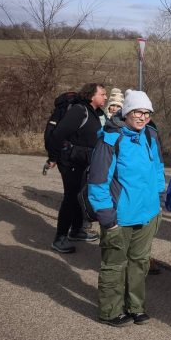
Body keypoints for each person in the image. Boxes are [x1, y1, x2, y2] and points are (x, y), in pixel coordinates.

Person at [88, 89, 165, 326]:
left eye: (146, 113)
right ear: (126, 112)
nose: (142, 117)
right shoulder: (111, 139)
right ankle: (110, 311)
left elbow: (158, 169)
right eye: (137, 112)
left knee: (139, 263)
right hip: (119, 218)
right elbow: (98, 182)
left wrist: (158, 199)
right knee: (114, 265)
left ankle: (135, 306)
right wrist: (107, 218)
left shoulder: (151, 135)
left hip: (147, 214)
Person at [48, 83, 108, 253]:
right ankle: (59, 238)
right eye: (102, 94)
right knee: (70, 198)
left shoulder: (95, 113)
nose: (105, 97)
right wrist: (53, 157)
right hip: (71, 162)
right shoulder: (80, 111)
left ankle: (76, 230)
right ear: (91, 95)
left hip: (83, 161)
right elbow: (58, 135)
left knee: (79, 196)